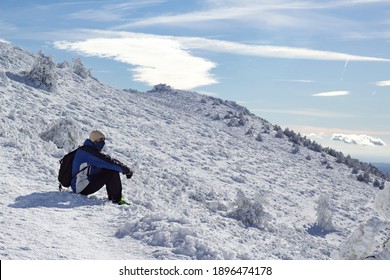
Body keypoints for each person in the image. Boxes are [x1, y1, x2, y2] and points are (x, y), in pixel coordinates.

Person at [71, 130, 133, 205]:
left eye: (103, 140)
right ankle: (116, 200)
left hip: (82, 184)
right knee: (112, 171)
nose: (103, 142)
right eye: (101, 140)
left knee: (109, 169)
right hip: (81, 187)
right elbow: (108, 162)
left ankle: (114, 198)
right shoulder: (88, 153)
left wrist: (124, 168)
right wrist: (126, 170)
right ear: (94, 140)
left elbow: (107, 161)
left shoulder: (88, 150)